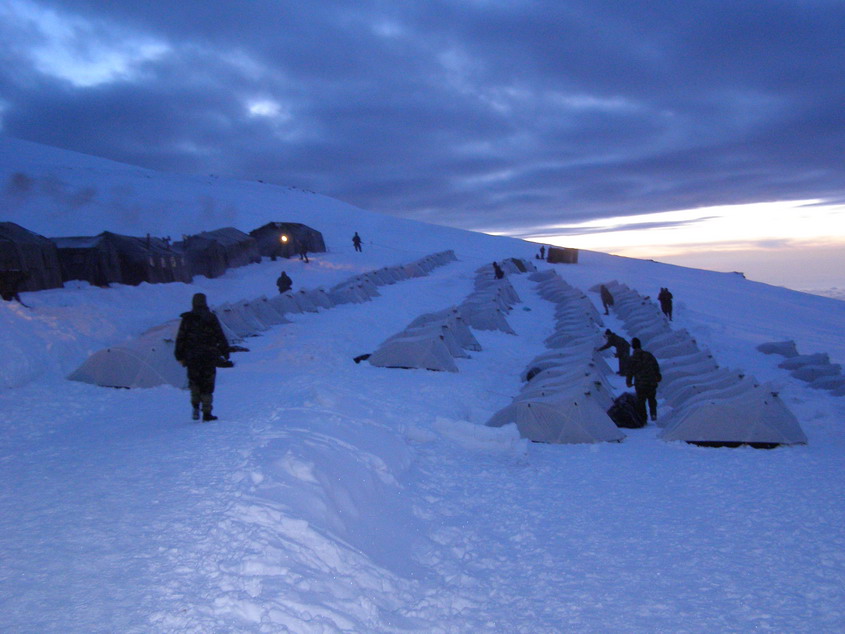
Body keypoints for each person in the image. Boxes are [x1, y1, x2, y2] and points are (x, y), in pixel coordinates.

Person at [174, 293, 230, 422]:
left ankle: (195, 406)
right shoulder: (210, 318)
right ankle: (207, 412)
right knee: (207, 384)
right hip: (208, 356)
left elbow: (181, 338)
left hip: (192, 357)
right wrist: (225, 350)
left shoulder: (187, 319)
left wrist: (179, 355)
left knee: (194, 382)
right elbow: (219, 335)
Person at [626, 337, 662, 423]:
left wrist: (629, 382)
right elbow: (655, 366)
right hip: (651, 381)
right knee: (652, 399)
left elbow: (629, 372)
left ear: (633, 347)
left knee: (641, 401)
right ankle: (653, 414)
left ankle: (643, 418)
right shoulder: (649, 355)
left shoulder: (632, 358)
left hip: (640, 383)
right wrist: (658, 376)